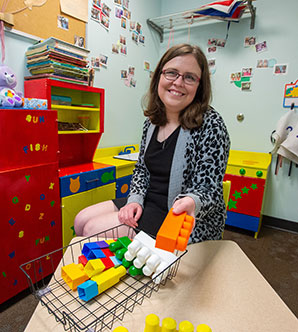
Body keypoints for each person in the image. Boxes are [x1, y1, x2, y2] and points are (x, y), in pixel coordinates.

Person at [74, 43, 230, 243]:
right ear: (159, 77)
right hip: (148, 201)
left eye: (189, 77)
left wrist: (192, 201)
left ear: (200, 86)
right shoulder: (152, 121)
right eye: (172, 73)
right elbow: (141, 169)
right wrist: (134, 201)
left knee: (92, 229)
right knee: (81, 220)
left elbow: (210, 188)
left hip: (180, 216)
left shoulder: (211, 124)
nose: (178, 82)